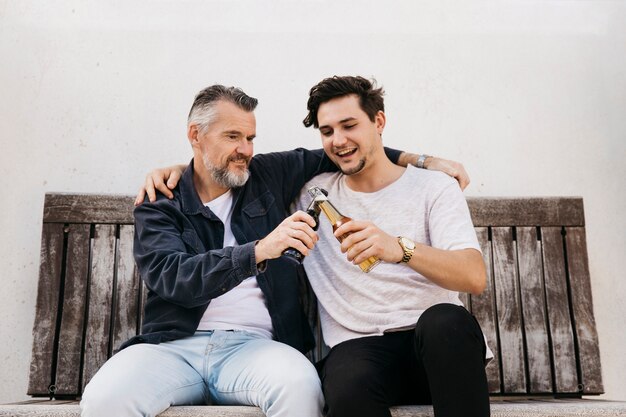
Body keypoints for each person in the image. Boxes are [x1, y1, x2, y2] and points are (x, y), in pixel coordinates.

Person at [80, 84, 463, 417]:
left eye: (250, 138)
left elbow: (348, 149)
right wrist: (260, 250)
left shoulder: (265, 174)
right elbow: (173, 277)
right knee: (104, 399)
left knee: (301, 389)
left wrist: (424, 160)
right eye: (232, 137)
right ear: (196, 136)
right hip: (173, 347)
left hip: (255, 348)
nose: (244, 149)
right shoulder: (161, 201)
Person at [294, 76, 491, 417]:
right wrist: (177, 171)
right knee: (347, 383)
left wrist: (399, 248)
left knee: (446, 321)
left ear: (379, 121)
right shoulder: (313, 195)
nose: (338, 141)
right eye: (327, 132)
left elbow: (473, 276)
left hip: (436, 350)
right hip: (359, 350)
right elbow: (230, 170)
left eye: (349, 125)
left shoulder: (434, 187)